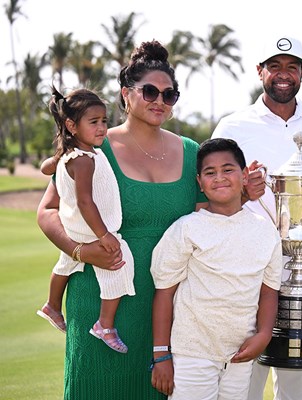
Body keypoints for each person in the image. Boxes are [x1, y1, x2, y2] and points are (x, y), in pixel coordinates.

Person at [37, 40, 205, 399]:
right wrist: (80, 250)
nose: (160, 100)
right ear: (126, 94)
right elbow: (48, 211)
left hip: (170, 305)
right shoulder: (91, 147)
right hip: (102, 298)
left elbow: (213, 214)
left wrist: (247, 191)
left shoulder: (192, 152)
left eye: (169, 94)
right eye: (149, 91)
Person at [211, 34, 302, 400]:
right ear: (259, 71)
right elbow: (210, 196)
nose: (283, 74)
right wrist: (245, 191)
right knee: (243, 383)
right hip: (244, 268)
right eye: (274, 66)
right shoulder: (232, 126)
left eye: (292, 67)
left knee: (296, 387)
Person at [149, 138, 283, 399]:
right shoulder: (187, 229)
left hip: (240, 353)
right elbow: (164, 293)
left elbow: (269, 291)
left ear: (245, 176)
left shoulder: (265, 229)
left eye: (228, 169)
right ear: (200, 182)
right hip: (193, 353)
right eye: (210, 173)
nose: (219, 178)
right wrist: (161, 354)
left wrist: (265, 334)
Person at [36, 86, 134, 354]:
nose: (102, 127)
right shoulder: (84, 160)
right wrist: (104, 235)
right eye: (94, 122)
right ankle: (105, 324)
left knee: (65, 264)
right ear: (72, 125)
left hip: (74, 228)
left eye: (104, 121)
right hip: (90, 231)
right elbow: (85, 201)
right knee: (120, 264)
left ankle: (52, 305)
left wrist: (56, 158)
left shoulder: (72, 154)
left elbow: (45, 168)